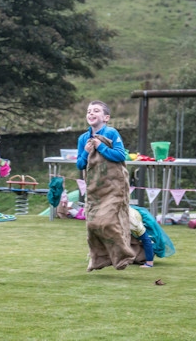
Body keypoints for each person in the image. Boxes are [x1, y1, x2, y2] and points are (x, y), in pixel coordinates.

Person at [76, 100, 135, 271]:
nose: (91, 113)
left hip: (113, 185)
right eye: (88, 111)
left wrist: (100, 146)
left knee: (108, 222)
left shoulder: (111, 133)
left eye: (96, 111)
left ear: (106, 117)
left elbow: (119, 155)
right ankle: (99, 258)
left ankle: (123, 255)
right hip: (95, 188)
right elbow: (80, 165)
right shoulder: (83, 139)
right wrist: (87, 153)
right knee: (92, 225)